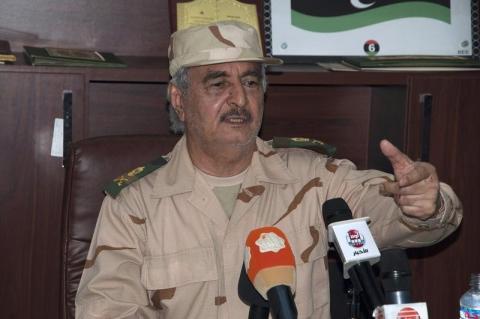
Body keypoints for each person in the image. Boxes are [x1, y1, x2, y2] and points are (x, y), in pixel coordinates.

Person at [75, 20, 462, 318]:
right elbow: (108, 309)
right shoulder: (135, 205)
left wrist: (426, 204)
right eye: (217, 84)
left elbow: (394, 214)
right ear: (180, 101)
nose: (240, 98)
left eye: (249, 81)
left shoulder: (313, 179)